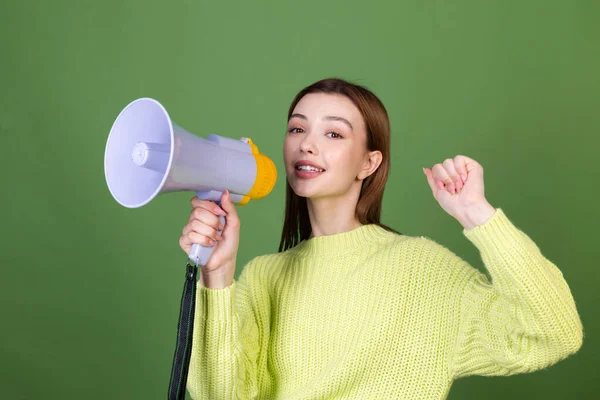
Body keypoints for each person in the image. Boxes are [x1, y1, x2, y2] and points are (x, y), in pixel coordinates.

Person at [179, 78, 584, 399]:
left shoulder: (422, 269)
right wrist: (218, 275)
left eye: (334, 134)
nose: (307, 143)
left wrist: (476, 213)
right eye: (297, 128)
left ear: (369, 162)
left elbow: (553, 331)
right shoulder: (264, 275)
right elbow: (221, 395)